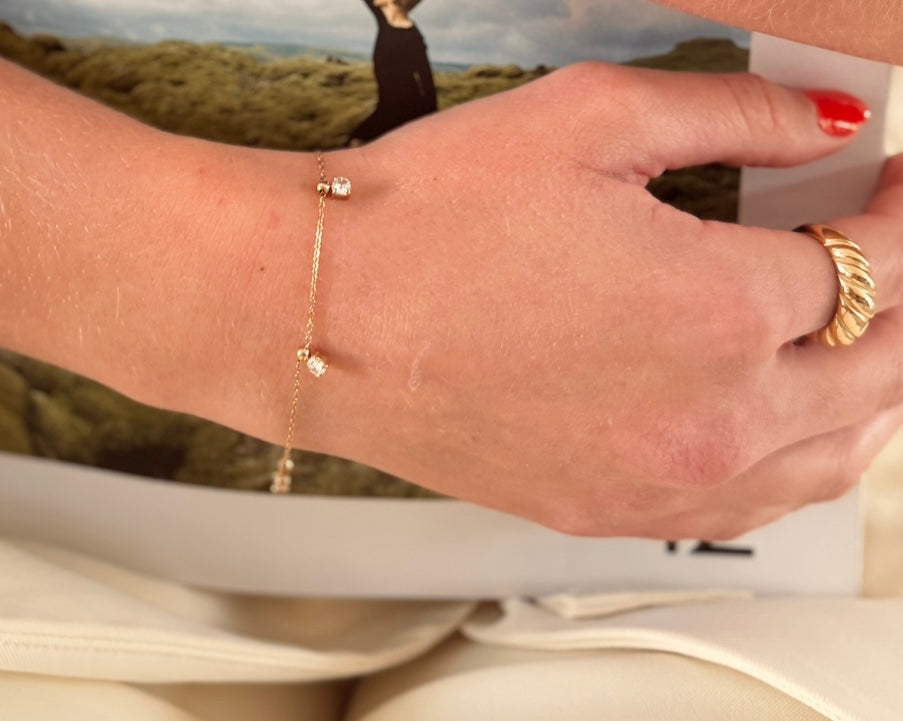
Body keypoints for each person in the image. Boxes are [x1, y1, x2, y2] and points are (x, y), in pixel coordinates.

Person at [348, 0, 437, 143]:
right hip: (386, 105)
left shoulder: (414, 37)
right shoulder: (384, 20)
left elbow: (426, 79)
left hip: (404, 107)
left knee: (360, 142)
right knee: (359, 142)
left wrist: (432, 120)